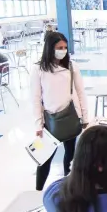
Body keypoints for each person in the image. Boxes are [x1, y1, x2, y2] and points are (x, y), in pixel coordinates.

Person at [31, 32, 89, 191]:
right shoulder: (38, 69)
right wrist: (38, 124)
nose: (63, 50)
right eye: (59, 47)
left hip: (70, 117)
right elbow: (35, 98)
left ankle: (69, 188)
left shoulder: (72, 66)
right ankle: (38, 191)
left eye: (65, 47)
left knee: (70, 155)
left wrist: (85, 117)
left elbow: (80, 92)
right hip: (49, 122)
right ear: (50, 48)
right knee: (44, 159)